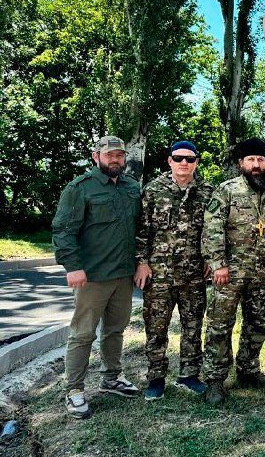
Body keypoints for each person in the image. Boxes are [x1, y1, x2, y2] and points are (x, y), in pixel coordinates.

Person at [52, 136, 141, 419]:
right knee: (83, 334)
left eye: (120, 155)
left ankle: (111, 378)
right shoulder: (80, 188)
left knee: (115, 329)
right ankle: (74, 390)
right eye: (109, 154)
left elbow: (141, 228)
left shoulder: (131, 187)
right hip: (92, 276)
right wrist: (72, 266)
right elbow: (64, 230)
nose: (115, 159)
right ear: (96, 156)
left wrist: (141, 262)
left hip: (123, 275)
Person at [201, 138, 265, 405]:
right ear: (241, 163)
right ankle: (214, 379)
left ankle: (249, 369)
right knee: (219, 325)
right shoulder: (227, 190)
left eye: (260, 159)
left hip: (262, 272)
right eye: (251, 160)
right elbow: (212, 228)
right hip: (230, 272)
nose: (256, 165)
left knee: (257, 323)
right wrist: (218, 264)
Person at [134, 140, 215, 401]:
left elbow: (212, 230)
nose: (184, 163)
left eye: (189, 159)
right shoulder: (153, 190)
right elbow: (141, 230)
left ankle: (189, 374)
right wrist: (141, 262)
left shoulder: (207, 192)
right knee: (156, 327)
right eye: (178, 158)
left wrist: (210, 259)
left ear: (196, 163)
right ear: (170, 161)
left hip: (194, 273)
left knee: (193, 325)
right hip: (159, 273)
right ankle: (156, 378)